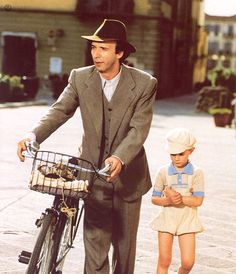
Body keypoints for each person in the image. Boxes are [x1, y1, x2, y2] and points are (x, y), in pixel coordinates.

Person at [17, 19, 157, 274]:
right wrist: (33, 135)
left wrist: (119, 157)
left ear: (120, 52)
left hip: (128, 177)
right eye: (93, 46)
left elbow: (139, 129)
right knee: (95, 245)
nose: (96, 53)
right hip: (92, 174)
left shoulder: (145, 84)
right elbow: (59, 111)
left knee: (124, 252)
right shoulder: (80, 78)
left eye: (103, 47)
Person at [150, 128, 205, 274]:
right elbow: (154, 198)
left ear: (191, 151)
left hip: (187, 220)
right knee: (164, 260)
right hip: (167, 219)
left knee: (188, 262)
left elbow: (198, 200)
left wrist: (180, 199)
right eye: (173, 154)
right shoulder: (162, 172)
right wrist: (168, 200)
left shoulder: (197, 173)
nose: (176, 158)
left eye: (181, 154)